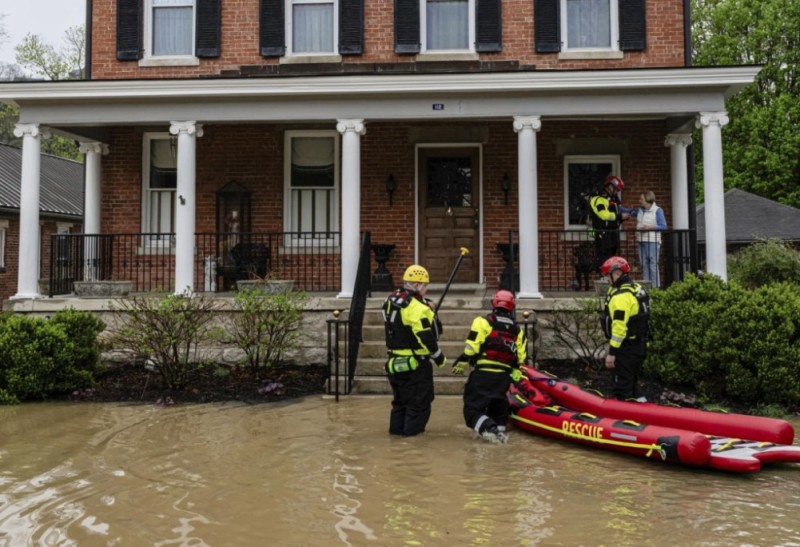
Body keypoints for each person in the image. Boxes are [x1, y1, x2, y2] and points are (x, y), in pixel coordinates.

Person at [452, 289, 527, 444]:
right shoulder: (518, 330)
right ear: (511, 306)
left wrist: (462, 359)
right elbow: (521, 358)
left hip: (483, 375)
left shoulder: (483, 321)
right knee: (498, 409)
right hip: (504, 378)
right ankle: (499, 431)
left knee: (471, 410)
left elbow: (472, 347)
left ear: (494, 303)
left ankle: (491, 431)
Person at [382, 264, 447, 436]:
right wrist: (439, 356)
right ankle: (412, 445)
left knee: (400, 403)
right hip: (416, 365)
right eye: (425, 286)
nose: (426, 289)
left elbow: (404, 311)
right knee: (418, 405)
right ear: (417, 285)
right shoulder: (419, 309)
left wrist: (425, 304)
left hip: (394, 363)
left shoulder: (390, 300)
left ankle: (396, 440)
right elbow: (425, 336)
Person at [600, 256, 650, 401]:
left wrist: (612, 353)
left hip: (625, 348)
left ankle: (623, 418)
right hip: (639, 345)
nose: (606, 280)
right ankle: (639, 409)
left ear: (616, 273)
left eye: (607, 276)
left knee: (622, 387)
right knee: (633, 382)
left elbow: (619, 327)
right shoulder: (637, 289)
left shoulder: (621, 297)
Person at [589, 175, 631, 272]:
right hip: (603, 233)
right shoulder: (598, 199)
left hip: (613, 233)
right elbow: (604, 215)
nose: (617, 192)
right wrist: (620, 216)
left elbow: (614, 218)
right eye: (616, 189)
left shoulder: (613, 200)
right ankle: (602, 279)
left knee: (613, 259)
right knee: (604, 258)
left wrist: (623, 218)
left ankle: (610, 279)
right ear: (610, 186)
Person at [629, 191, 668, 288]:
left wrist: (650, 227)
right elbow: (629, 211)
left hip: (652, 241)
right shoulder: (640, 210)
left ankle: (655, 288)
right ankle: (646, 287)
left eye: (641, 199)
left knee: (653, 264)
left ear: (648, 199)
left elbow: (664, 226)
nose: (639, 201)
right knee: (644, 264)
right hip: (641, 240)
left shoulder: (658, 210)